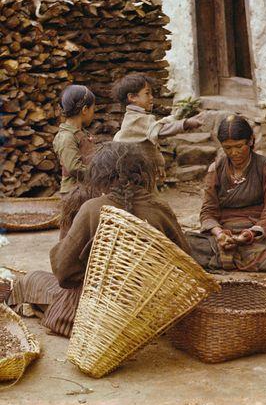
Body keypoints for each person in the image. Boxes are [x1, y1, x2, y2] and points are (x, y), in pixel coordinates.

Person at [7, 142, 190, 337]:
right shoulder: (161, 209)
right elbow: (186, 260)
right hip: (147, 309)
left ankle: (39, 309)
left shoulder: (93, 209)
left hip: (96, 316)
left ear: (102, 176)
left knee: (32, 280)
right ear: (142, 173)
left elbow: (63, 272)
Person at [186, 115, 266, 272]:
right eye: (227, 148)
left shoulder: (265, 167)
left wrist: (249, 234)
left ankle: (225, 259)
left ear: (250, 140)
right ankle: (234, 256)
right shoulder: (216, 169)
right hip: (224, 234)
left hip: (257, 236)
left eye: (239, 146)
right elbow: (208, 212)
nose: (234, 153)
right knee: (185, 242)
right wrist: (219, 234)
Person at [112, 73, 203, 181]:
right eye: (147, 93)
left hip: (140, 169)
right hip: (134, 171)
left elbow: (155, 131)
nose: (151, 97)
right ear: (132, 97)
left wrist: (178, 117)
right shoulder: (136, 119)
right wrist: (185, 123)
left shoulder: (137, 118)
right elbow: (161, 129)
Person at [53, 85, 96, 197]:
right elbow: (74, 167)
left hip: (86, 189)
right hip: (73, 193)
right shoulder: (66, 137)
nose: (93, 113)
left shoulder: (82, 133)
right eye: (93, 109)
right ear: (85, 110)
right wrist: (99, 173)